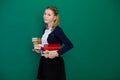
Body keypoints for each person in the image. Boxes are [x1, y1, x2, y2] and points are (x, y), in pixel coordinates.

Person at [34, 6, 73, 80]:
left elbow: (69, 45)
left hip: (54, 63)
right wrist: (40, 50)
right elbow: (47, 46)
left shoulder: (58, 30)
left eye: (49, 15)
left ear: (55, 17)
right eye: (45, 14)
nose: (45, 16)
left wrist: (56, 53)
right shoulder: (45, 30)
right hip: (44, 60)